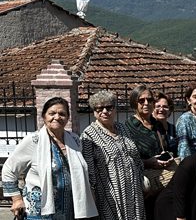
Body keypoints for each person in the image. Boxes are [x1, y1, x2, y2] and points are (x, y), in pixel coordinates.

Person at [2, 96, 98, 220]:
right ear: (44, 116)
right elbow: (9, 170)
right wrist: (16, 199)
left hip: (69, 210)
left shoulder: (74, 140)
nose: (57, 117)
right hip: (38, 210)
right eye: (52, 113)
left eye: (62, 114)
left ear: (68, 118)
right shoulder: (33, 141)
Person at [81, 90, 146, 220]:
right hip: (109, 195)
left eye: (109, 107)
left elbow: (136, 158)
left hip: (134, 192)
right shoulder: (88, 135)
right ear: (94, 112)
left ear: (115, 109)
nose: (104, 111)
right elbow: (89, 172)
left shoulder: (123, 128)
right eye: (99, 108)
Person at [124, 85, 172, 172]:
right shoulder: (128, 127)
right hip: (142, 179)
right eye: (141, 100)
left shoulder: (158, 124)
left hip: (163, 176)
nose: (146, 103)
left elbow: (166, 148)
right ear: (134, 103)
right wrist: (147, 163)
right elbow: (125, 160)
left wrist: (167, 157)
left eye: (149, 100)